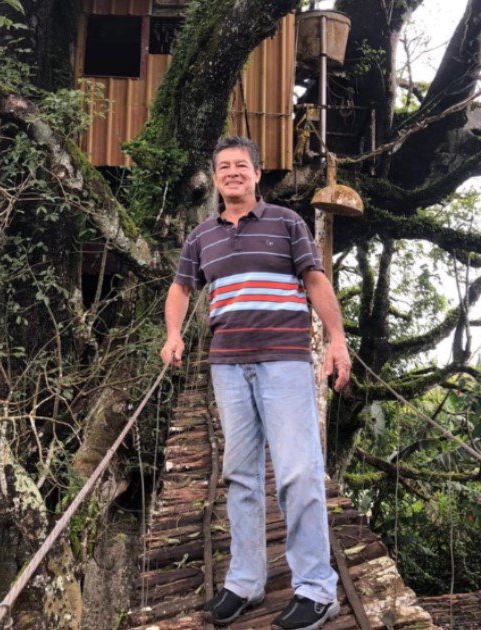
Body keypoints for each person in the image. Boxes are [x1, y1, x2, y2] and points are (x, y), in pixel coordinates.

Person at [159, 136, 351, 630]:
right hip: (227, 365)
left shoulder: (288, 223)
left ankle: (316, 588)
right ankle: (245, 581)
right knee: (239, 475)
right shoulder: (201, 236)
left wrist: (336, 340)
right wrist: (174, 335)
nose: (232, 173)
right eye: (223, 167)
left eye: (241, 165)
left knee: (298, 472)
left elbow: (315, 281)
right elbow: (181, 288)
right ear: (216, 178)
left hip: (284, 361)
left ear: (257, 173)